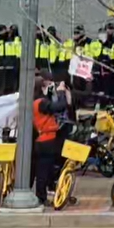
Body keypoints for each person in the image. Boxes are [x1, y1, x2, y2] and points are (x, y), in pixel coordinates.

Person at [31, 74, 70, 206]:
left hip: (43, 139)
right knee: (43, 171)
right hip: (46, 140)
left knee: (44, 169)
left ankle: (44, 193)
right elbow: (58, 107)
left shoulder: (36, 101)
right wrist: (60, 93)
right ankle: (41, 196)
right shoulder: (40, 103)